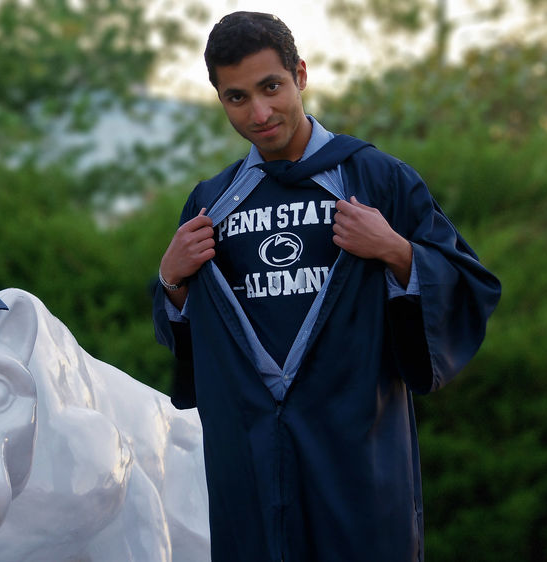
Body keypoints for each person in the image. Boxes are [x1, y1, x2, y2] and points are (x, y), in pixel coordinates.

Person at [153, 11, 501, 561]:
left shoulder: (375, 178)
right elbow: (196, 346)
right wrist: (171, 279)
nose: (260, 113)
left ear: (301, 76)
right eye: (237, 97)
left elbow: (468, 286)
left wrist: (397, 250)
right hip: (250, 456)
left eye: (272, 87)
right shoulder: (212, 201)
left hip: (355, 449)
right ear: (220, 99)